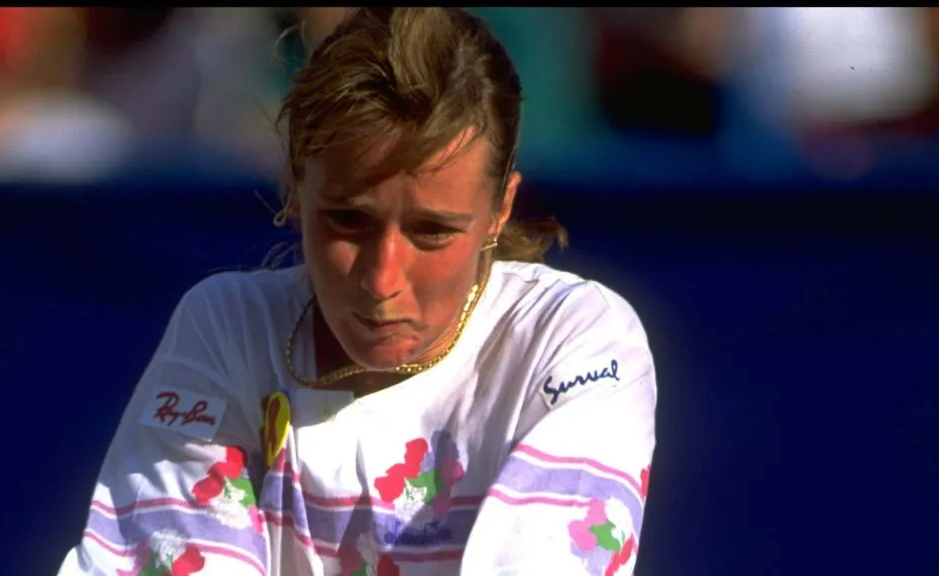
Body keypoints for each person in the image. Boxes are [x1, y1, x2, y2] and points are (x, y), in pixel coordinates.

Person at [58, 7, 656, 576]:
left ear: (500, 209)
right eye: (347, 220)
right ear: (296, 189)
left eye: (431, 231)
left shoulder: (578, 339)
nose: (381, 279)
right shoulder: (225, 328)